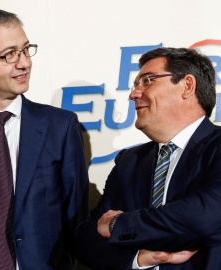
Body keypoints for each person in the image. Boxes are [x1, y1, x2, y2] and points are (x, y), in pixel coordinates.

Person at [0, 9, 89, 270]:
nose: (24, 63)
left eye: (26, 50)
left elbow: (76, 218)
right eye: (10, 54)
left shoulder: (60, 126)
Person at [75, 47, 221, 270]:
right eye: (135, 84)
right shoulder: (129, 161)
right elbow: (86, 240)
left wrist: (118, 224)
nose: (134, 94)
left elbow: (207, 216)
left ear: (187, 86)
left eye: (147, 81)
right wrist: (140, 259)